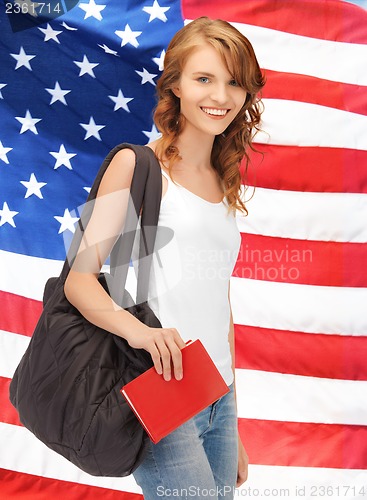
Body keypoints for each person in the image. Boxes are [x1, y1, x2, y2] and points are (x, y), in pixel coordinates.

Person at [64, 16, 265, 499]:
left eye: (234, 82)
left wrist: (231, 417)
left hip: (218, 390)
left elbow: (220, 298)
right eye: (204, 79)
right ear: (174, 84)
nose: (220, 96)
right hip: (161, 384)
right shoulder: (136, 164)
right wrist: (143, 333)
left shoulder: (222, 177)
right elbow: (79, 279)